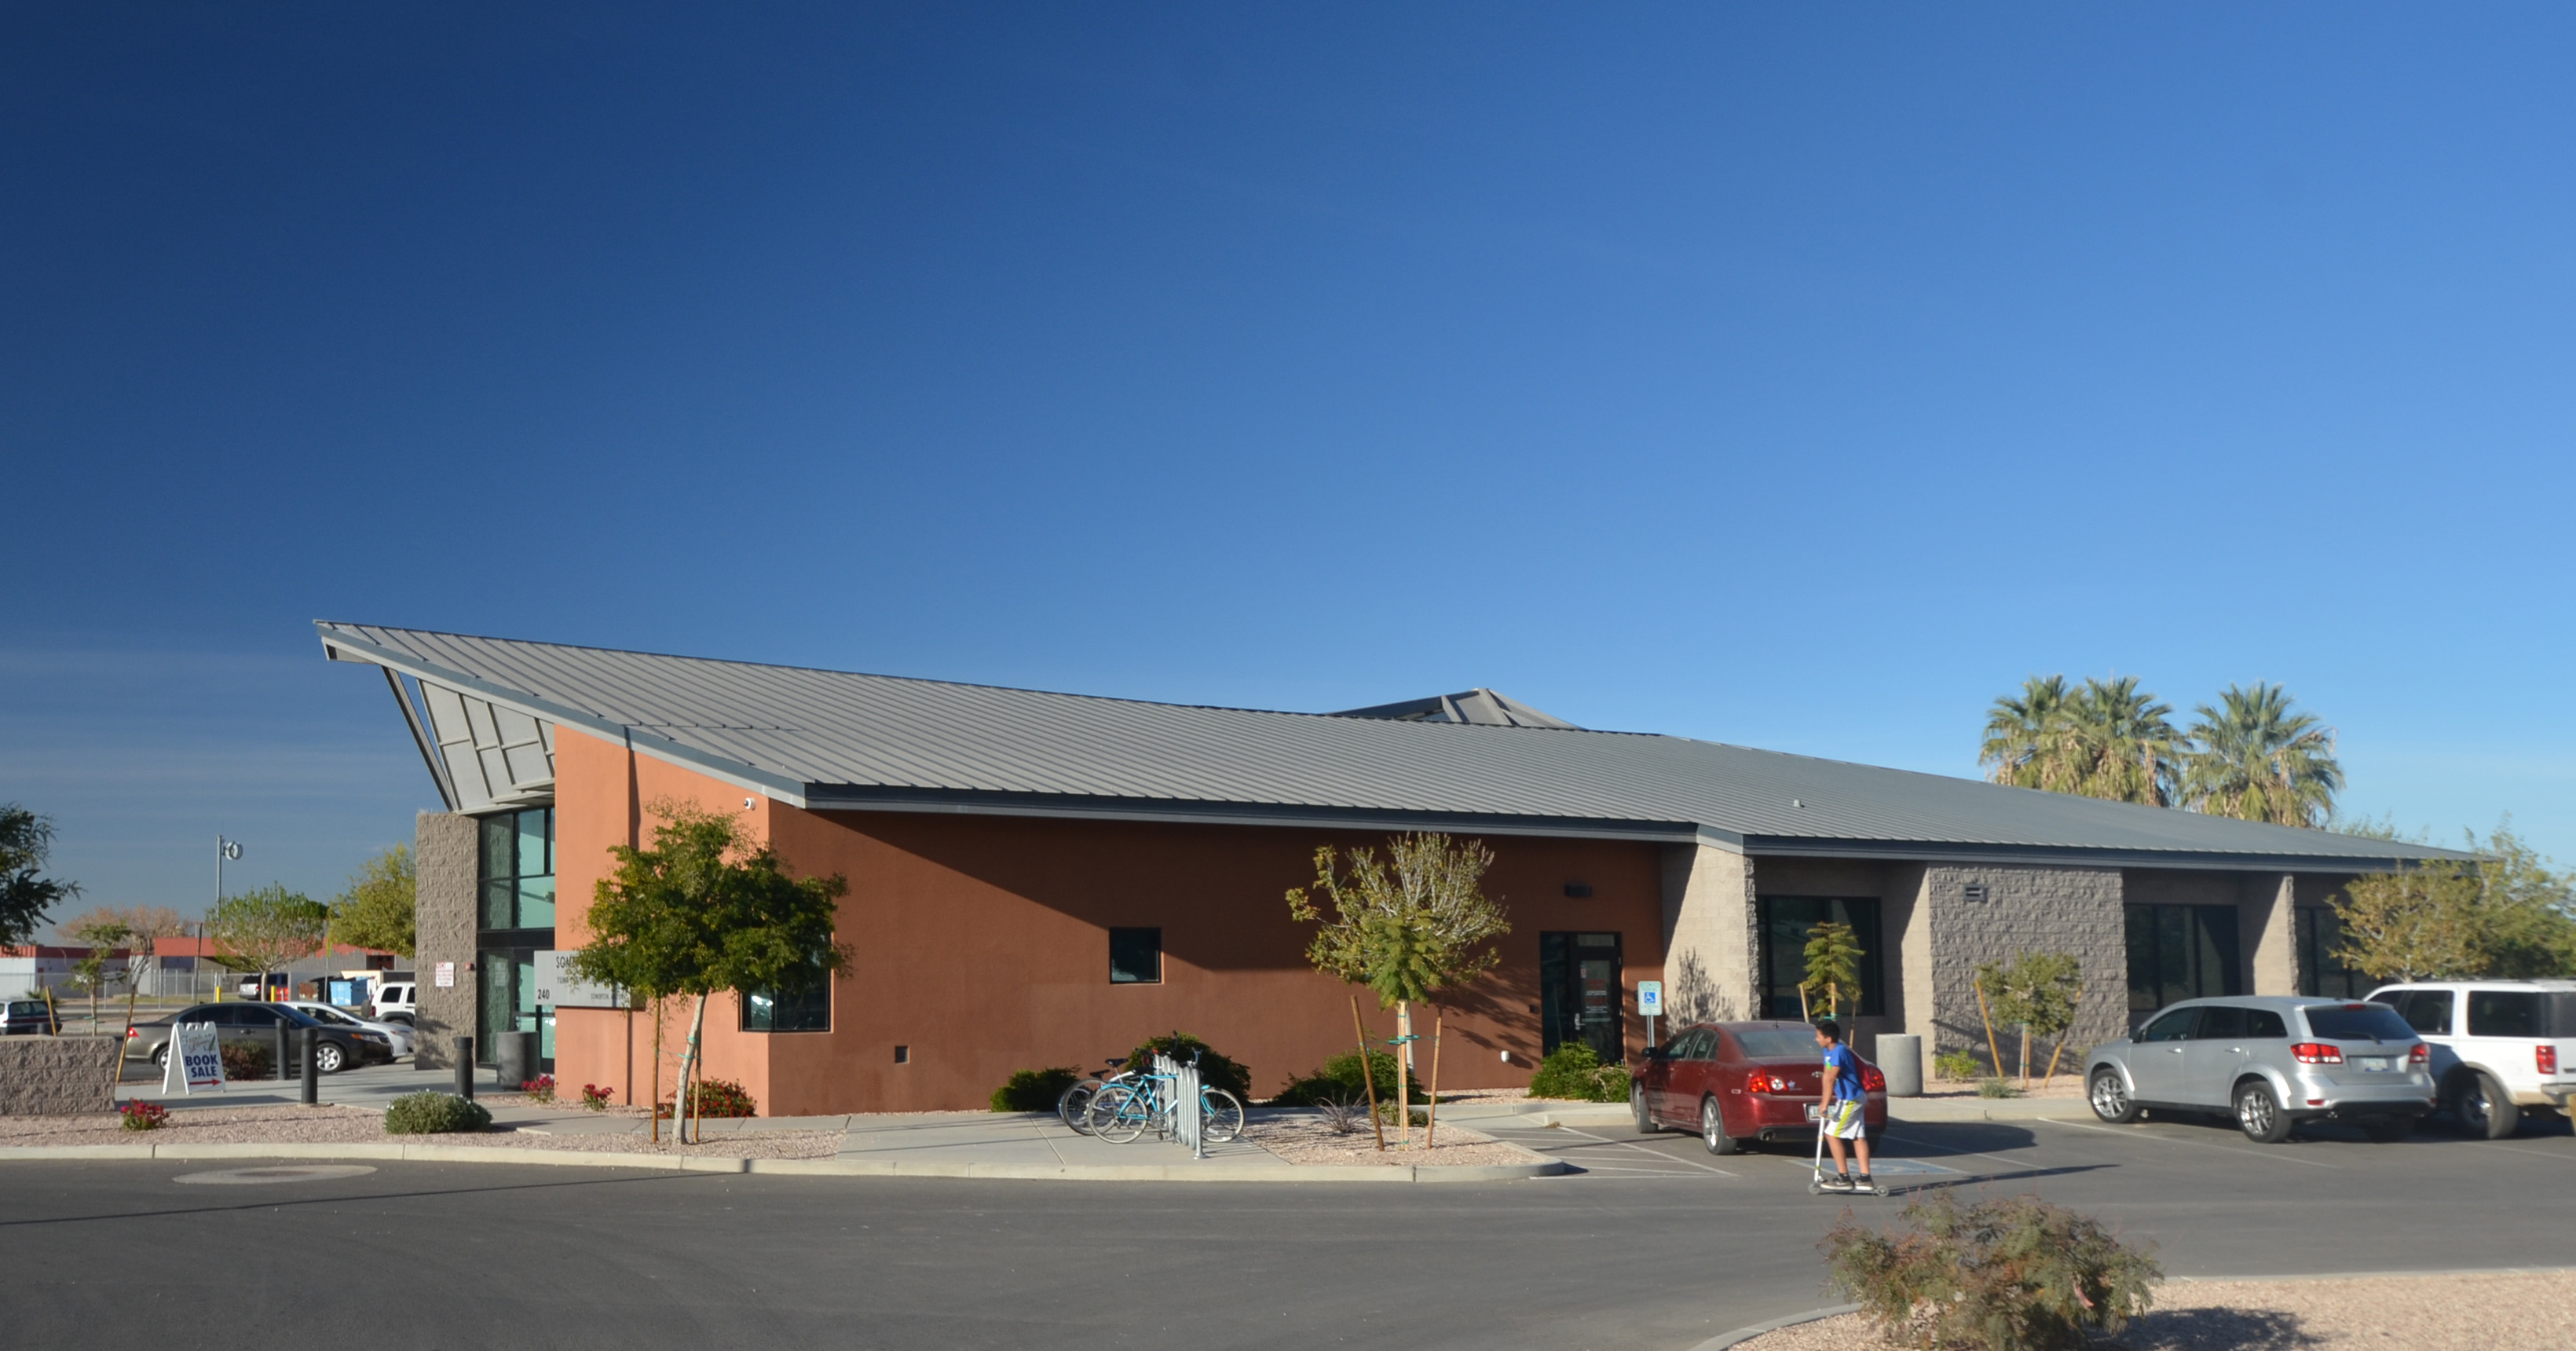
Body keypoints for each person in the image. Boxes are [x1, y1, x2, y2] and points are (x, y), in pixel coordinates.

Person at [1813, 1018, 1872, 1193]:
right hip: (1849, 1098)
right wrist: (1824, 1098)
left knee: (1831, 1134)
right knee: (1858, 1136)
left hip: (1850, 1099)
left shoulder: (1839, 1051)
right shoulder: (1828, 1052)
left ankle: (1844, 1178)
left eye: (1819, 1036)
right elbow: (1826, 1076)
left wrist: (1824, 1105)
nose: (1816, 1039)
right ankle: (1865, 1178)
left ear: (1828, 1038)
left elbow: (1831, 1078)